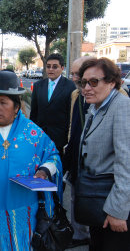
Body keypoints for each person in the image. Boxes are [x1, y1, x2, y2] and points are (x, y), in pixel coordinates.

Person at [0, 71, 63, 250]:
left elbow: (53, 155)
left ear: (16, 107)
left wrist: (44, 171)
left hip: (24, 209)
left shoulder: (33, 133)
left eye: (3, 103)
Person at [76, 57, 130, 250]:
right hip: (97, 202)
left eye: (94, 82)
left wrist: (118, 211)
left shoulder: (122, 107)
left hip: (113, 207)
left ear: (112, 82)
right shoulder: (96, 107)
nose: (87, 88)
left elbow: (127, 165)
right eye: (84, 82)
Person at [63, 56, 92, 248]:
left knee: (93, 197)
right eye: (72, 73)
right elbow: (73, 125)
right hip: (75, 155)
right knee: (75, 196)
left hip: (95, 160)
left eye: (77, 73)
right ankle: (80, 233)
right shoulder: (76, 95)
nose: (73, 78)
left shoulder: (118, 95)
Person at [30, 53, 76, 162]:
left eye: (55, 67)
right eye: (48, 66)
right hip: (40, 137)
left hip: (60, 139)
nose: (51, 69)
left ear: (62, 68)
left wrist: (69, 139)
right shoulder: (38, 86)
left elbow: (71, 115)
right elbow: (34, 113)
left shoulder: (70, 86)